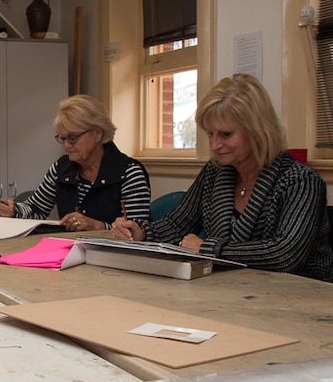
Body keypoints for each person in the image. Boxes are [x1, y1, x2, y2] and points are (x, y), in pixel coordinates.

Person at [113, 73, 333, 283]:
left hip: (302, 296)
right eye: (210, 133)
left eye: (226, 134)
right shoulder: (215, 171)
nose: (215, 144)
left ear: (258, 130)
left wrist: (210, 249)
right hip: (233, 289)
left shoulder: (301, 181)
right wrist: (141, 231)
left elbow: (284, 254)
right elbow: (178, 223)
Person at [0, 94, 151, 231]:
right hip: (69, 251)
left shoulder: (128, 173)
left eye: (73, 137)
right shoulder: (62, 168)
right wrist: (14, 209)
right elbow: (37, 209)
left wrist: (98, 226)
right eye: (62, 138)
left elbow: (138, 231)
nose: (66, 145)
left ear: (97, 133)